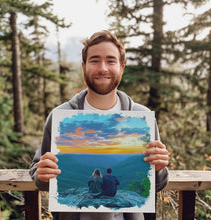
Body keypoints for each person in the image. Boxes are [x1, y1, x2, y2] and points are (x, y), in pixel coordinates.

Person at [29, 30, 170, 220]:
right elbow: (39, 173)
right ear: (84, 67)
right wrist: (43, 174)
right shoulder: (60, 118)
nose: (103, 68)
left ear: (121, 67)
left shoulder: (142, 117)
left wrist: (160, 168)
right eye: (95, 60)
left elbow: (158, 183)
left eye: (110, 61)